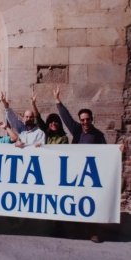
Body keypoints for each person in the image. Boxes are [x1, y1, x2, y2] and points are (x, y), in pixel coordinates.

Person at [54, 86, 106, 243]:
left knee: (90, 203)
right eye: (82, 120)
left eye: (87, 119)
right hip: (75, 173)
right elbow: (66, 118)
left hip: (90, 175)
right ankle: (72, 230)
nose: (85, 122)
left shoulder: (98, 135)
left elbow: (106, 154)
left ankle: (93, 232)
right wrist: (58, 101)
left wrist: (119, 150)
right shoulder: (77, 131)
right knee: (73, 201)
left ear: (91, 119)